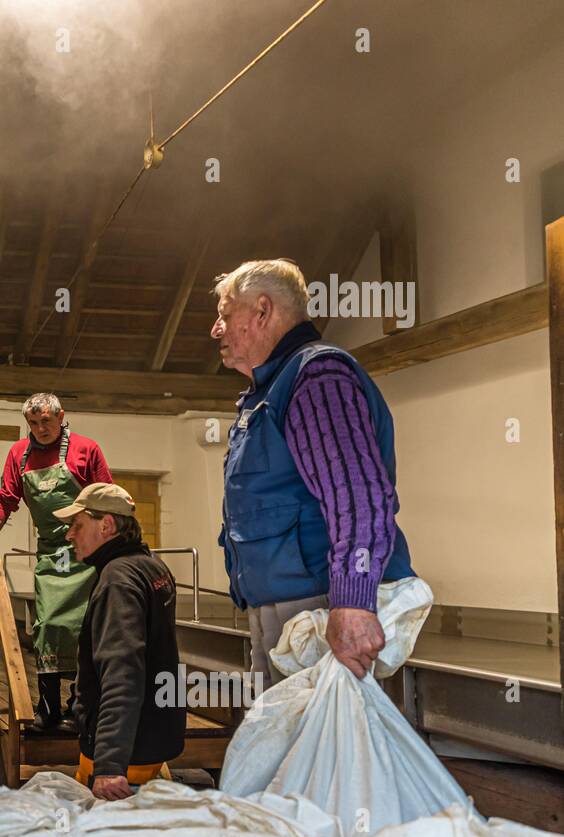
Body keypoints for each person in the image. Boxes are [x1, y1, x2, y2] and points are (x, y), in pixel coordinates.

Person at [211, 259, 415, 684]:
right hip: (284, 610)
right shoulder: (269, 390)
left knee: (330, 747)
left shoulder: (317, 376)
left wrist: (354, 603)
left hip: (322, 607)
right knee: (291, 747)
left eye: (226, 315)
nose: (217, 330)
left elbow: (358, 497)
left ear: (262, 311)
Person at [0, 392, 113, 731]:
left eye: (46, 421)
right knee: (47, 626)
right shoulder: (19, 454)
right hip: (51, 554)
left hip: (89, 552)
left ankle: (81, 703)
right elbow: (6, 500)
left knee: (87, 626)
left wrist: (113, 548)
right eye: (33, 423)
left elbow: (107, 498)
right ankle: (48, 708)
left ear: (61, 417)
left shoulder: (86, 450)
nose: (40, 428)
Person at [56, 482, 185, 799]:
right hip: (150, 748)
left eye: (77, 525)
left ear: (107, 525)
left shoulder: (118, 579)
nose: (69, 535)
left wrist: (110, 765)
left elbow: (122, 672)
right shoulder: (151, 567)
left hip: (124, 764)